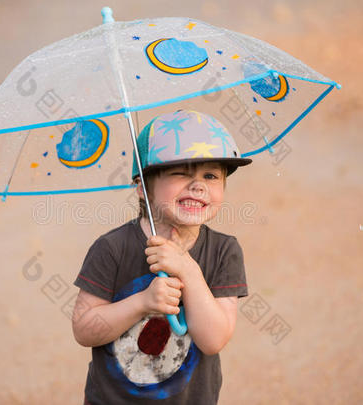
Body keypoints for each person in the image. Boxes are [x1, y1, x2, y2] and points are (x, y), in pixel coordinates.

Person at [72, 109, 252, 404]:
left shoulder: (224, 251)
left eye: (210, 175)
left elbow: (214, 339)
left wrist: (188, 270)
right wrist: (141, 303)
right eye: (180, 173)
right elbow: (84, 329)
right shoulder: (112, 248)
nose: (198, 185)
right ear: (143, 187)